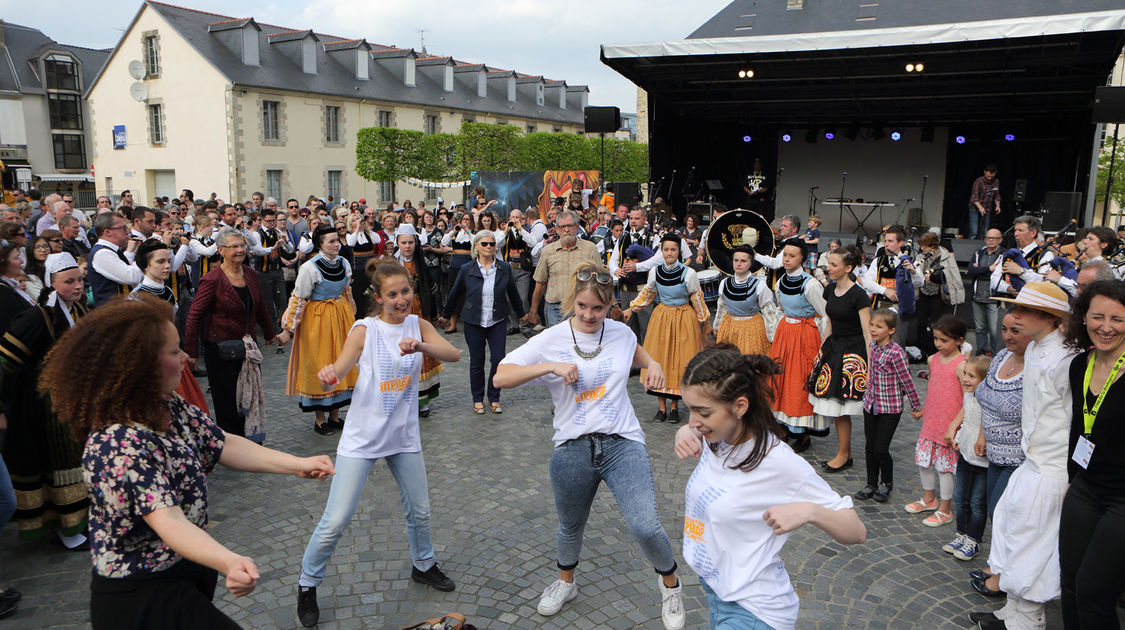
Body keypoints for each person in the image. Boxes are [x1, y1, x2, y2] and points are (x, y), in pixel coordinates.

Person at [37, 296, 333, 629]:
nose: (185, 359)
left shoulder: (164, 403)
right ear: (138, 365)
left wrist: (297, 464)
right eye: (174, 351)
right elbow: (169, 521)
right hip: (141, 595)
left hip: (181, 572)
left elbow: (220, 443)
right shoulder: (117, 442)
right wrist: (229, 560)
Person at [494, 262, 687, 630]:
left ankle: (671, 585)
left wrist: (655, 363)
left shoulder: (619, 332)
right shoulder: (550, 339)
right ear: (572, 301)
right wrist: (549, 366)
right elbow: (501, 376)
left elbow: (635, 350)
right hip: (572, 447)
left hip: (622, 443)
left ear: (610, 304)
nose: (588, 315)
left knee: (645, 525)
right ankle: (566, 583)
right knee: (570, 526)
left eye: (597, 308)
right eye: (582, 306)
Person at [296, 261, 462, 628]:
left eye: (405, 292)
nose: (401, 300)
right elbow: (338, 371)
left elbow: (454, 355)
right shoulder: (365, 329)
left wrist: (420, 344)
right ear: (378, 297)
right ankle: (308, 584)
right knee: (335, 520)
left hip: (402, 437)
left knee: (419, 510)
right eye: (393, 294)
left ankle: (424, 565)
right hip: (363, 438)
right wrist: (327, 378)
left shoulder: (418, 324)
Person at [672, 345, 866, 630]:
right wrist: (685, 431)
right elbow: (696, 430)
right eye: (690, 409)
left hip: (754, 610)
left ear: (739, 407)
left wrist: (809, 511)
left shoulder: (778, 462)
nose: (693, 421)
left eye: (702, 412)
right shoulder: (717, 437)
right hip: (718, 592)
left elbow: (857, 531)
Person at [972, 282, 1076, 629]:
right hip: (1030, 461)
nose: (1014, 316)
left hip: (1052, 468)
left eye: (1024, 311)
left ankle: (1028, 620)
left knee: (1034, 543)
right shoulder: (1035, 350)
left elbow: (1074, 417)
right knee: (1011, 532)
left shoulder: (1065, 358)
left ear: (1049, 317)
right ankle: (1012, 612)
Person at [0, 253, 88, 547]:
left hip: (71, 401)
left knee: (73, 463)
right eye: (69, 281)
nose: (77, 286)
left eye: (79, 280)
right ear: (52, 283)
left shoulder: (76, 310)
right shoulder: (37, 317)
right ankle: (69, 530)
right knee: (60, 465)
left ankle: (74, 524)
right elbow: (5, 361)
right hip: (45, 407)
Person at [1058, 281, 1125, 629]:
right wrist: (1073, 479)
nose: (1106, 327)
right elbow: (1079, 430)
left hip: (1122, 500)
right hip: (1085, 488)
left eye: (1118, 318)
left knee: (1095, 595)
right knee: (1069, 585)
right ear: (1083, 318)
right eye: (1097, 316)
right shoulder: (1079, 364)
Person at [185, 227, 289, 440]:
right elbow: (194, 315)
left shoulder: (250, 273)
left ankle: (249, 438)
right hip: (220, 349)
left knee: (248, 397)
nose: (240, 250)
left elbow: (259, 306)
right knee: (227, 400)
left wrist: (270, 333)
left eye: (242, 245)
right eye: (234, 247)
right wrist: (192, 352)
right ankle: (231, 444)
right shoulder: (212, 280)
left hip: (247, 348)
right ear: (221, 250)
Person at [624, 233, 710, 424]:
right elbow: (648, 293)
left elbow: (697, 299)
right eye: (666, 249)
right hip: (662, 317)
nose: (669, 253)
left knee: (679, 360)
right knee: (660, 358)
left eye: (673, 249)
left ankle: (674, 407)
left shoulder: (688, 274)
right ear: (661, 251)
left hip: (683, 318)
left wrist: (704, 321)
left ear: (679, 251)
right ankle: (661, 408)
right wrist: (632, 307)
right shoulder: (655, 272)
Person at [439, 231, 526, 414]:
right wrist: (446, 315)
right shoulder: (467, 270)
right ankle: (477, 399)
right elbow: (455, 293)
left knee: (498, 360)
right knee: (477, 362)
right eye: (485, 244)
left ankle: (494, 397)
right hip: (473, 321)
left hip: (497, 320)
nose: (489, 247)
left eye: (492, 244)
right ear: (476, 246)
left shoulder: (504, 268)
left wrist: (522, 314)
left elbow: (513, 293)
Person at [282, 225, 356, 435]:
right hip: (317, 320)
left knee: (340, 361)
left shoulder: (343, 263)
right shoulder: (309, 268)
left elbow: (346, 291)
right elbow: (299, 298)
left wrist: (353, 317)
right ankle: (320, 419)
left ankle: (335, 415)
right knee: (320, 362)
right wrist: (289, 327)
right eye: (331, 241)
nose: (336, 244)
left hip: (340, 316)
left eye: (337, 240)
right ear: (320, 245)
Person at [809, 247, 871, 473]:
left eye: (834, 265)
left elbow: (867, 331)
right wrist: (822, 348)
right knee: (835, 404)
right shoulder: (830, 290)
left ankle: (844, 454)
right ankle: (844, 452)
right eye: (829, 264)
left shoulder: (859, 295)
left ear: (848, 268)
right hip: (834, 349)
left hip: (853, 353)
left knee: (843, 405)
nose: (829, 269)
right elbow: (830, 321)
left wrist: (869, 364)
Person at [855, 309, 923, 504]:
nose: (873, 329)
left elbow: (907, 381)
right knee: (869, 447)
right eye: (872, 325)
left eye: (879, 326)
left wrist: (916, 406)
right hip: (872, 404)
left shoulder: (897, 354)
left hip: (890, 407)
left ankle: (886, 483)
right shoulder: (873, 347)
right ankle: (871, 483)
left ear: (891, 330)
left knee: (881, 449)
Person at [904, 315, 966, 528]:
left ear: (959, 340)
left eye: (944, 340)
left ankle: (945, 508)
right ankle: (929, 498)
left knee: (945, 468)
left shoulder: (961, 365)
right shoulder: (932, 360)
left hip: (949, 425)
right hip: (931, 421)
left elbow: (967, 398)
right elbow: (934, 388)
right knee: (924, 462)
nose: (938, 343)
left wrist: (955, 425)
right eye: (937, 339)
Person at [767, 238, 828, 452]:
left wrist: (822, 340)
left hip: (804, 336)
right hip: (785, 333)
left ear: (802, 258)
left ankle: (802, 433)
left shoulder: (810, 284)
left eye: (792, 256)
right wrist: (775, 333)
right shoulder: (780, 281)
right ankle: (782, 427)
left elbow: (825, 312)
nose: (787, 259)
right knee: (781, 379)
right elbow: (780, 308)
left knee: (800, 380)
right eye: (785, 255)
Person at [941, 355, 992, 561]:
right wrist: (956, 430)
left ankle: (973, 539)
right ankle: (961, 534)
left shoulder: (987, 399)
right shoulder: (969, 395)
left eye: (972, 376)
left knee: (977, 502)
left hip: (982, 460)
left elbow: (986, 420)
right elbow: (966, 415)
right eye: (965, 374)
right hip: (965, 454)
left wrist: (981, 437)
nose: (965, 379)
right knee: (961, 498)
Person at [390, 224, 442, 415]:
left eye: (410, 242)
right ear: (397, 243)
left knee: (420, 353)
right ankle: (402, 398)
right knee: (401, 354)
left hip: (419, 312)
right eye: (403, 242)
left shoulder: (421, 263)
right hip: (397, 314)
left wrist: (434, 315)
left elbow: (431, 289)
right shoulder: (391, 264)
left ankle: (422, 402)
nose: (407, 246)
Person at [528, 210, 599, 328]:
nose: (566, 230)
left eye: (569, 226)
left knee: (581, 344)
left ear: (577, 227)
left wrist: (611, 306)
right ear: (556, 229)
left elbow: (601, 280)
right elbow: (540, 284)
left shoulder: (590, 249)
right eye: (562, 226)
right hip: (555, 310)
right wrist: (533, 311)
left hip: (583, 309)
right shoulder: (548, 251)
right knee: (557, 345)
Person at [712, 245, 773, 356]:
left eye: (743, 261)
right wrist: (716, 327)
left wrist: (773, 335)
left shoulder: (759, 285)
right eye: (736, 260)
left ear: (750, 263)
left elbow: (769, 312)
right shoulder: (724, 283)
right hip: (729, 328)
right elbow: (722, 307)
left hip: (752, 330)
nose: (739, 264)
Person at [915, 232, 966, 355]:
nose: (922, 248)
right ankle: (922, 349)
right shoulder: (920, 256)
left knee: (936, 323)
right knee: (921, 322)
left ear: (932, 246)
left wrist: (933, 277)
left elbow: (951, 275)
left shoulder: (945, 256)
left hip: (938, 293)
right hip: (923, 292)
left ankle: (935, 350)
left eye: (925, 246)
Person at [88, 211, 143, 306]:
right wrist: (145, 252)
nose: (128, 231)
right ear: (107, 232)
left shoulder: (110, 250)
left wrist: (131, 252)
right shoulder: (102, 253)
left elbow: (122, 266)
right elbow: (132, 277)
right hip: (110, 312)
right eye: (123, 228)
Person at [992, 215, 1054, 297]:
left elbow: (1043, 282)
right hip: (1005, 304)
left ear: (1033, 233)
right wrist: (1007, 288)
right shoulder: (1008, 254)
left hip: (1031, 305)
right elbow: (993, 279)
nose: (1016, 234)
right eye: (1015, 230)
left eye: (1020, 230)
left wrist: (1021, 272)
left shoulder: (1045, 255)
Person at [968, 228, 1005, 354]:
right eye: (988, 237)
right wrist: (989, 269)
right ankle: (981, 354)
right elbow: (971, 271)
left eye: (994, 238)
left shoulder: (1004, 255)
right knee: (979, 329)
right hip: (977, 296)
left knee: (995, 331)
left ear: (1000, 240)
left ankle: (995, 356)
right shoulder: (978, 253)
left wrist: (980, 270)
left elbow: (1001, 274)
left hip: (993, 297)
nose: (990, 240)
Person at [439, 212, 475, 333]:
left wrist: (468, 231)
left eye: (468, 219)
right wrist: (453, 231)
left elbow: (475, 243)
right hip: (455, 265)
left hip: (468, 264)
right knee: (452, 292)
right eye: (463, 219)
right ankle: (452, 324)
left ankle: (469, 322)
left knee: (468, 293)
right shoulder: (456, 233)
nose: (465, 221)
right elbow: (444, 242)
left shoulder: (473, 233)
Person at [968, 164, 1001, 240]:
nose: (989, 178)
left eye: (991, 177)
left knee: (985, 231)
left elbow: (996, 195)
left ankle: (983, 247)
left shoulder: (996, 182)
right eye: (988, 176)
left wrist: (998, 205)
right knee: (974, 231)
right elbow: (974, 197)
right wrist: (980, 207)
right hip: (975, 208)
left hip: (987, 208)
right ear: (985, 172)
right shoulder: (978, 181)